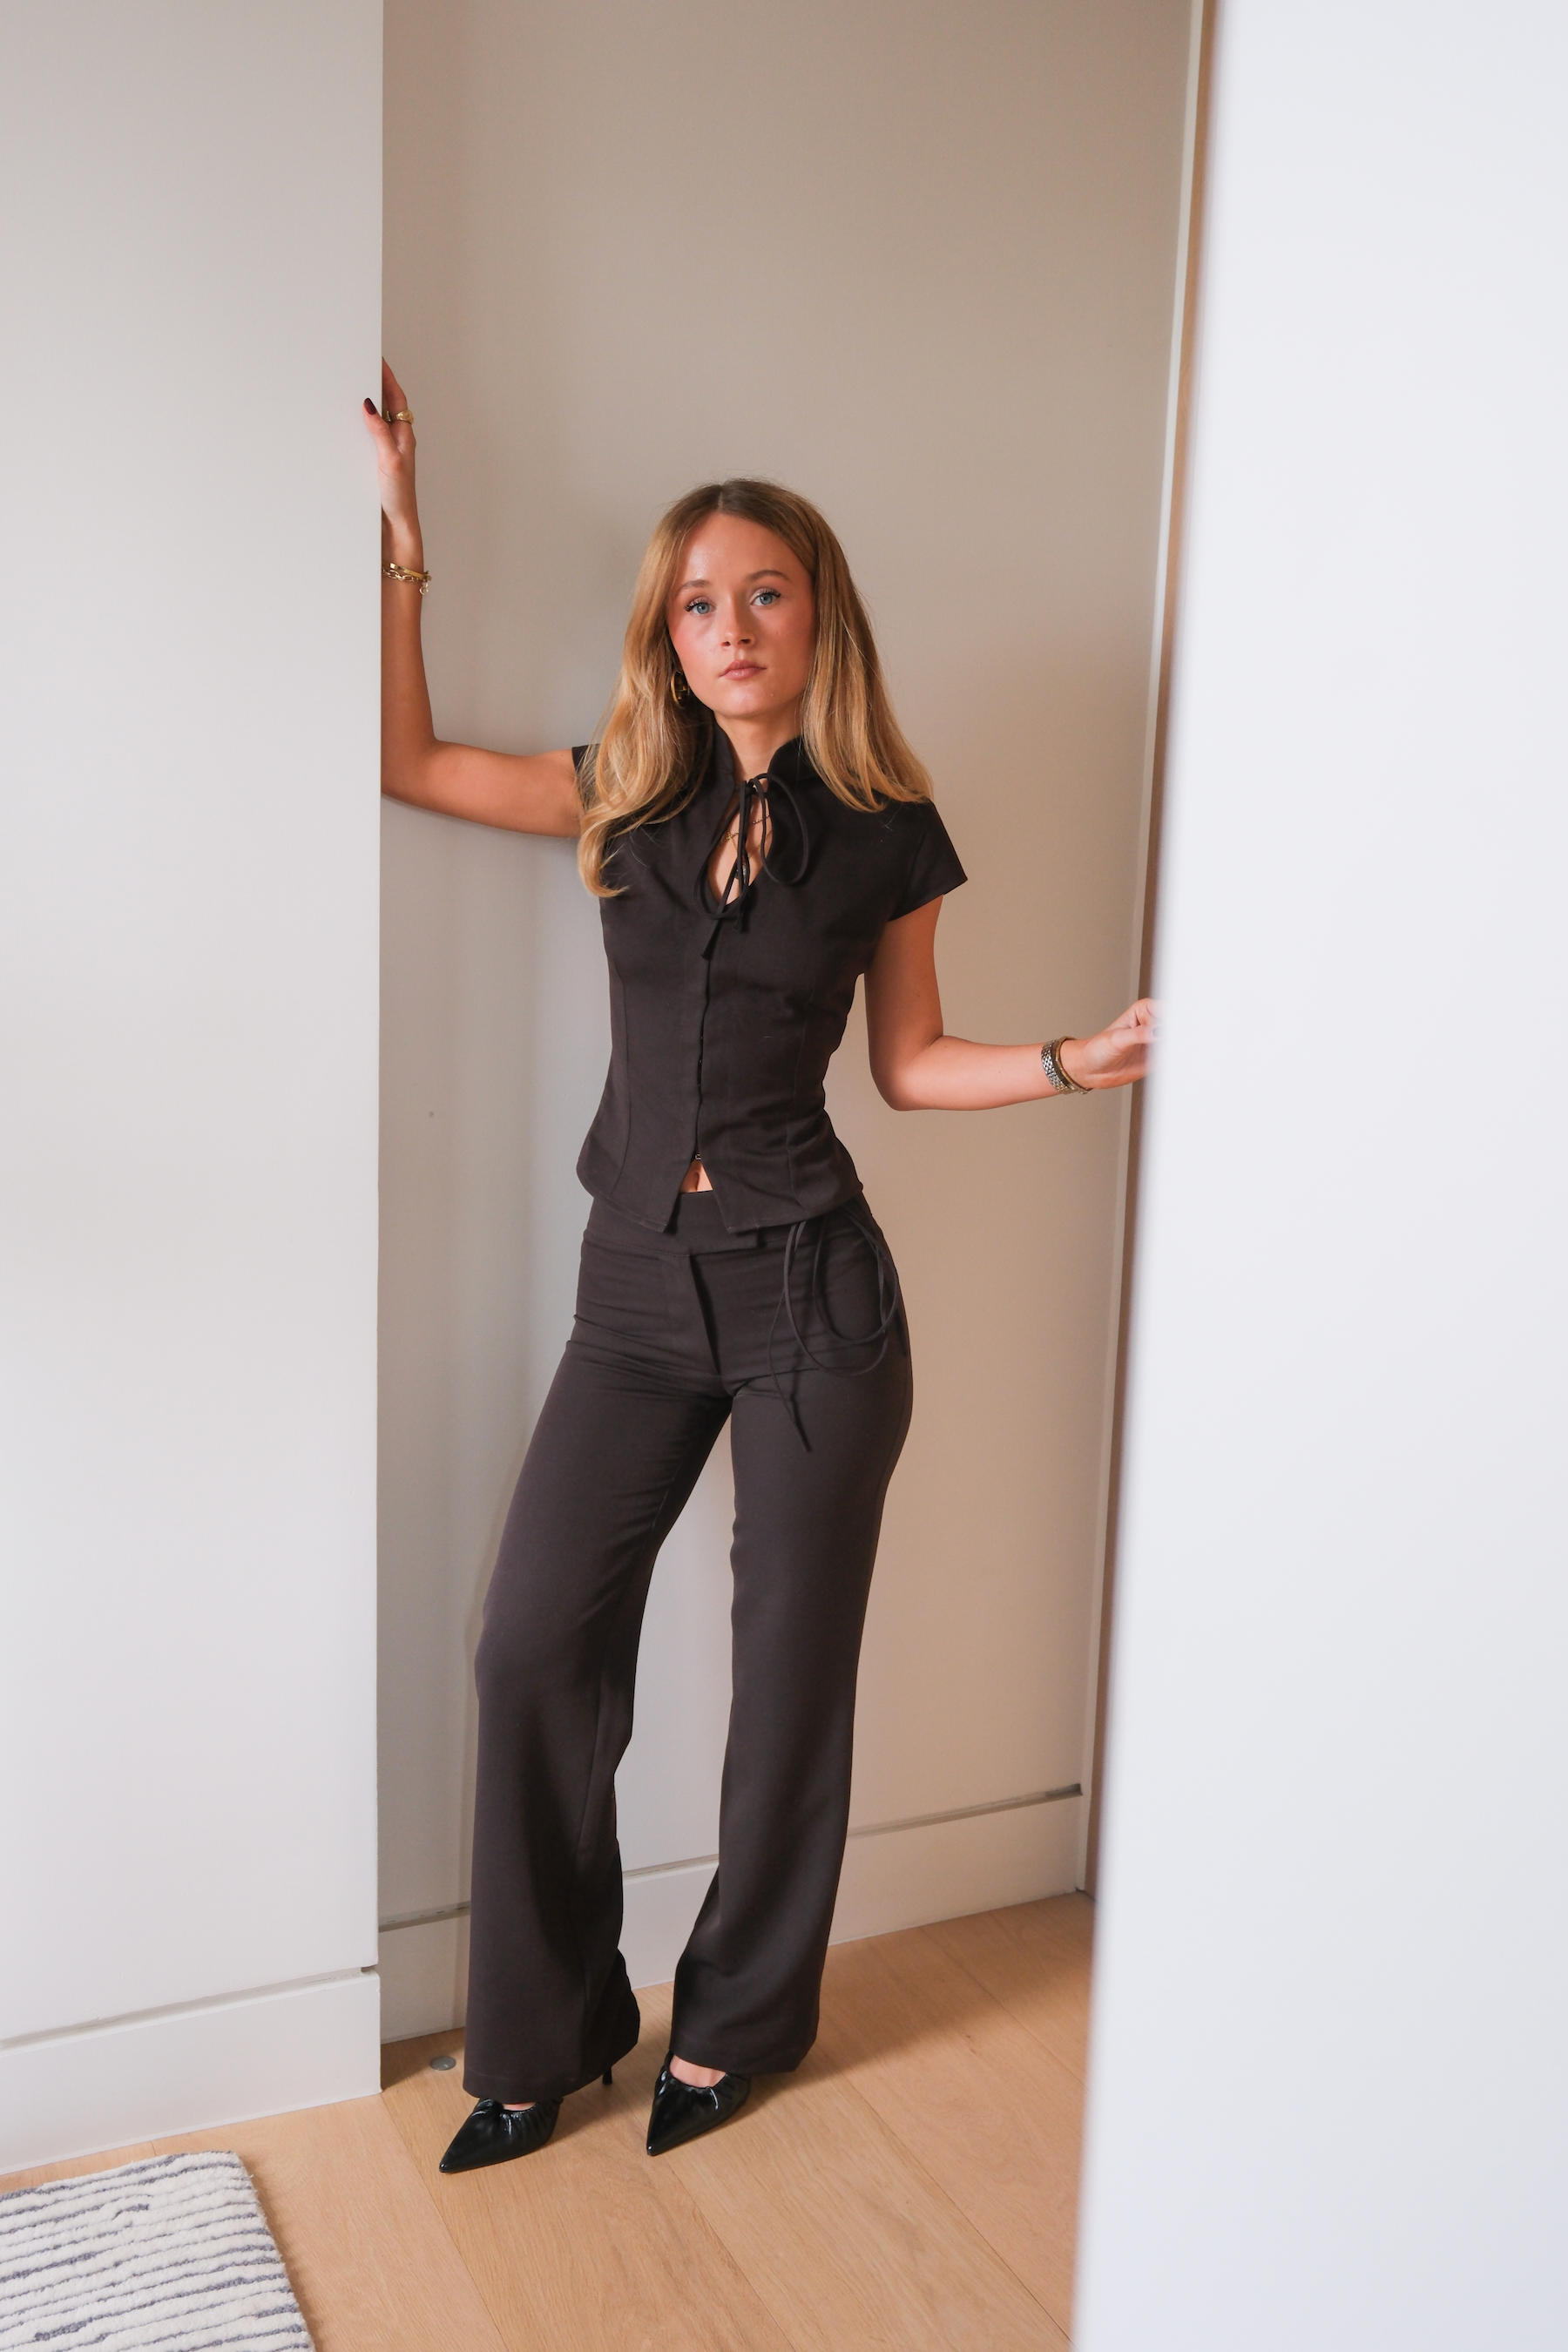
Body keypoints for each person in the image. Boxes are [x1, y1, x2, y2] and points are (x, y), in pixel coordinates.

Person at [364, 362, 1152, 2170]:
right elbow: (405, 763)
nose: (731, 627)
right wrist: (407, 538)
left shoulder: (887, 830)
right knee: (528, 1644)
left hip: (815, 1297)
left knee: (790, 1680)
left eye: (764, 594)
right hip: (634, 1293)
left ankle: (735, 2028)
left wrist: (1071, 1061)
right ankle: (545, 2035)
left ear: (818, 616)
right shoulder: (619, 798)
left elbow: (909, 1065)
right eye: (698, 603)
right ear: (668, 632)